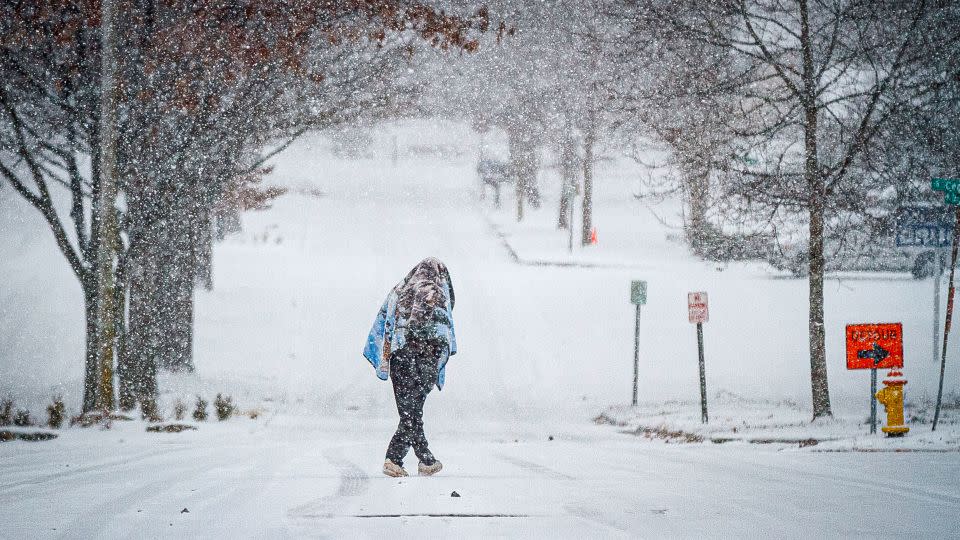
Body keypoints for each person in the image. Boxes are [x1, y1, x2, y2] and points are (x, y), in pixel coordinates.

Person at [363, 257, 457, 477]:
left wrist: (396, 347)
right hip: (424, 360)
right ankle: (416, 459)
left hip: (399, 359)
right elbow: (442, 331)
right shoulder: (437, 293)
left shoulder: (399, 291)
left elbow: (384, 323)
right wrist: (429, 352)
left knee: (410, 413)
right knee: (412, 413)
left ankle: (406, 459)